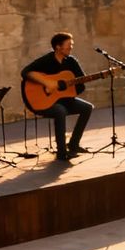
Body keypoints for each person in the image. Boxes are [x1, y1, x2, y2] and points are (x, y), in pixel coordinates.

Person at [21, 32, 94, 161]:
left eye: (72, 44)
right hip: (43, 102)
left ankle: (73, 144)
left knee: (87, 108)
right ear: (58, 47)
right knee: (60, 111)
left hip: (64, 99)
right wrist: (48, 83)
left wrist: (69, 88)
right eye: (68, 45)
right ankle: (61, 152)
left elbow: (81, 86)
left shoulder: (71, 62)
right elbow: (25, 72)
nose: (71, 47)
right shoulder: (47, 60)